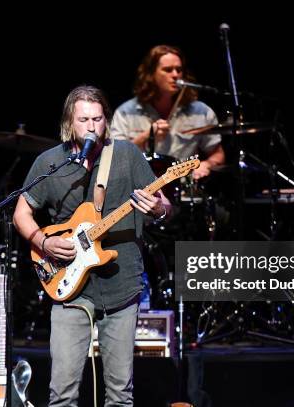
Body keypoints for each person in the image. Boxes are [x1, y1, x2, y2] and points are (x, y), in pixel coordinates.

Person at [13, 85, 172, 406]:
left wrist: (157, 208)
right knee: (62, 393)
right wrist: (44, 241)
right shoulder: (50, 162)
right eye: (83, 119)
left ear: (106, 120)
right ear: (69, 123)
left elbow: (165, 205)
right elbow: (21, 213)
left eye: (97, 119)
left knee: (120, 394)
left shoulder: (126, 155)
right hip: (68, 287)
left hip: (121, 285)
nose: (91, 126)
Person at [111, 44, 225, 181]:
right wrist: (147, 136)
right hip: (141, 193)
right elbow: (115, 159)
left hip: (185, 192)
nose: (175, 75)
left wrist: (206, 164)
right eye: (168, 70)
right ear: (151, 74)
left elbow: (218, 154)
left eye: (179, 70)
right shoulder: (126, 112)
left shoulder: (201, 112)